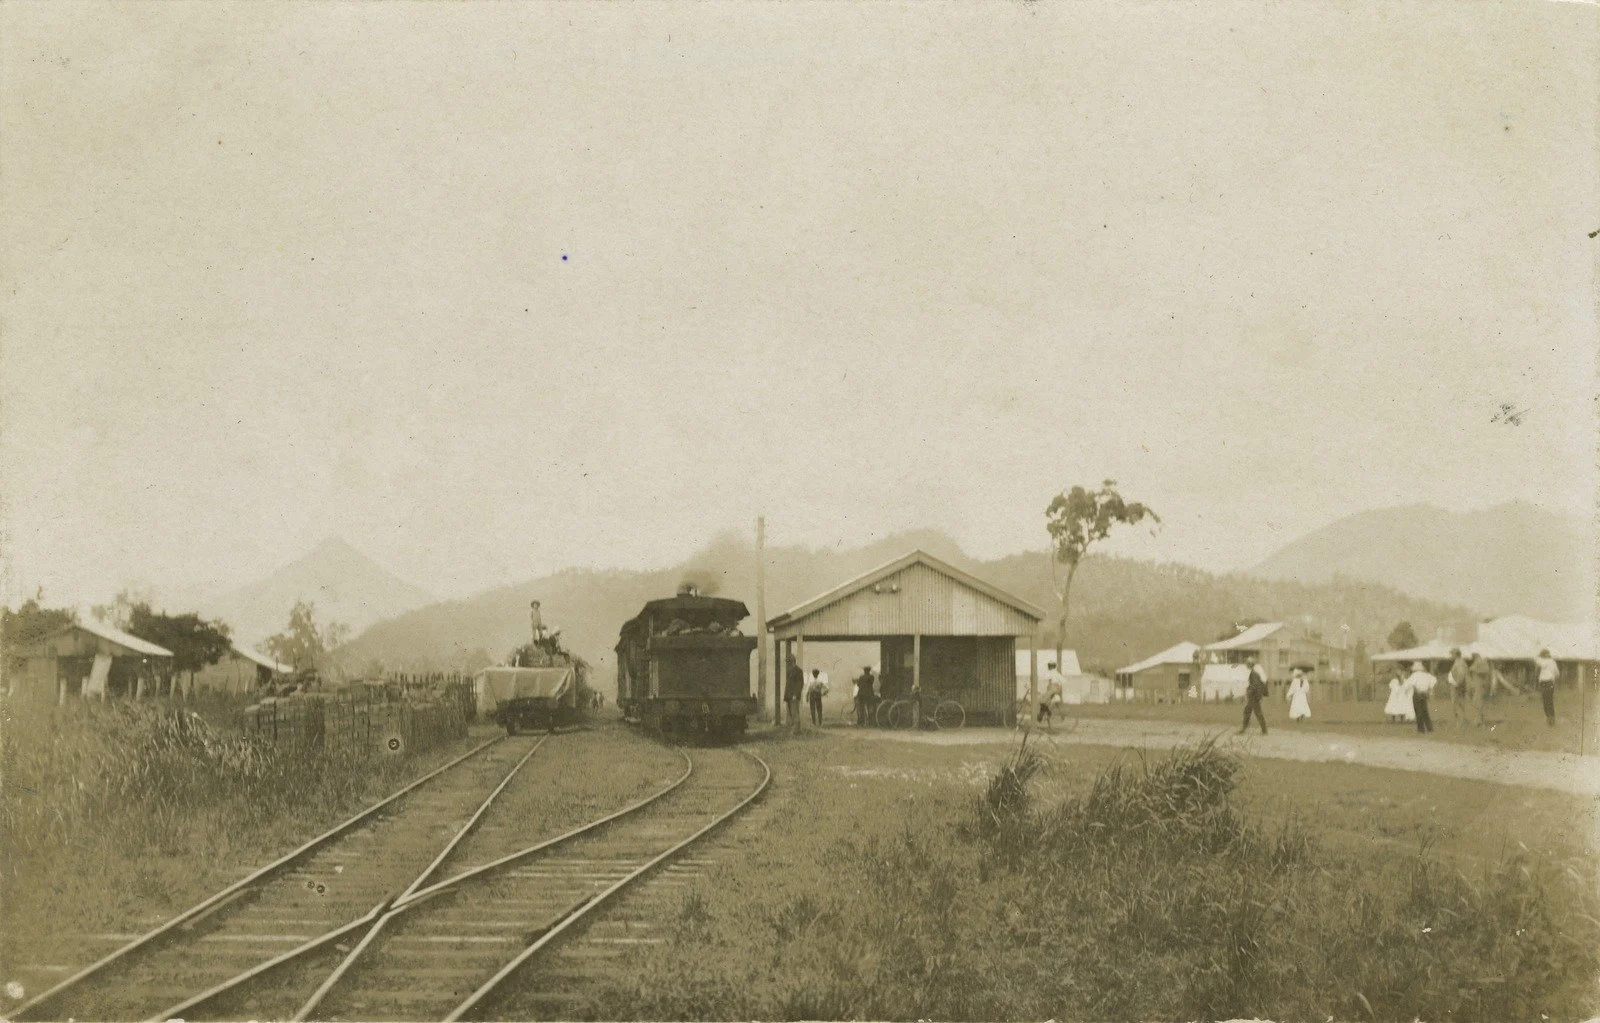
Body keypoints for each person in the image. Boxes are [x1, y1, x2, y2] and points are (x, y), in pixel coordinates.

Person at [1238, 657, 1268, 735]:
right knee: (1248, 711)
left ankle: (1264, 730)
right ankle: (1244, 728)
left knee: (1257, 713)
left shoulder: (1253, 674)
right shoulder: (1253, 673)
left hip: (1254, 697)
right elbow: (1254, 685)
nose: (1246, 665)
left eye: (1247, 663)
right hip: (1254, 697)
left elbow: (1254, 686)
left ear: (1249, 664)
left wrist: (1248, 691)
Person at [1408, 660, 1436, 733]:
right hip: (1425, 693)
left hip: (1417, 693)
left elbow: (1410, 684)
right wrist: (1429, 689)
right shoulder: (1427, 675)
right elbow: (1433, 681)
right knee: (1425, 711)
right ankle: (1429, 728)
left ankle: (1421, 729)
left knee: (1418, 711)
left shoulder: (1414, 675)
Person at [1535, 648, 1559, 726]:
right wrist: (1552, 678)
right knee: (1549, 700)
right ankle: (1551, 718)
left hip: (1545, 682)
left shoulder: (1544, 661)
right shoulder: (1553, 662)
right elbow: (1557, 673)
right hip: (1550, 682)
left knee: (1546, 700)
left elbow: (1539, 662)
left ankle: (1549, 718)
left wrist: (1538, 657)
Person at [1446, 648, 1470, 729]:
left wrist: (1457, 684)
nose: (1451, 656)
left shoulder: (1459, 663)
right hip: (1460, 685)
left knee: (1457, 704)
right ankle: (1461, 723)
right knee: (1460, 704)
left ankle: (1460, 724)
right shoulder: (1461, 662)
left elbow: (1461, 674)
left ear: (1456, 654)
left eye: (1452, 654)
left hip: (1457, 686)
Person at [1038, 661, 1065, 727]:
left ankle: (1043, 715)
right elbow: (1063, 681)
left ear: (1051, 666)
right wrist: (1059, 686)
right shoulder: (1057, 673)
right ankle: (1041, 716)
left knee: (1042, 701)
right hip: (1054, 689)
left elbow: (1045, 677)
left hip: (1053, 689)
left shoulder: (1052, 672)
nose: (1049, 667)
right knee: (1045, 702)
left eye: (1049, 666)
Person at [785, 655, 803, 728]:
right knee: (791, 713)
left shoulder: (798, 670)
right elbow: (788, 683)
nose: (787, 664)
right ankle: (795, 728)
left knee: (794, 712)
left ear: (792, 661)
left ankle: (796, 729)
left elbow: (800, 684)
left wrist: (795, 695)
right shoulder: (789, 671)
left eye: (788, 662)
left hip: (794, 696)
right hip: (789, 695)